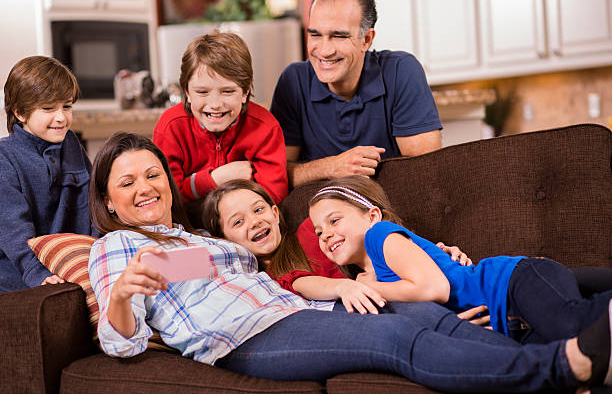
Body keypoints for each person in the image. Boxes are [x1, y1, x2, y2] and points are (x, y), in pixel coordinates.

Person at [88, 131, 611, 392]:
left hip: (297, 311)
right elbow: (119, 342)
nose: (145, 188)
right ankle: (562, 366)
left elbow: (254, 269)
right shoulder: (117, 247)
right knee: (393, 339)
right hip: (248, 335)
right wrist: (120, 295)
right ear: (109, 201)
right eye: (127, 182)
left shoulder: (197, 243)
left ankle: (564, 366)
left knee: (425, 316)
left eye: (152, 174)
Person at [308, 175, 612, 344]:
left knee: (572, 325)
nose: (325, 234)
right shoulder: (370, 278)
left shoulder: (380, 236)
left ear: (372, 215)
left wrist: (367, 286)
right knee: (569, 365)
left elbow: (434, 289)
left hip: (509, 283)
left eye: (334, 220)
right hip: (511, 323)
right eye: (319, 231)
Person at [202, 179, 473, 317]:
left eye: (259, 209)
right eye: (238, 221)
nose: (255, 221)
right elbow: (169, 267)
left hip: (394, 300)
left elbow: (372, 229)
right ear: (224, 240)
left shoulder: (315, 232)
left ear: (275, 213)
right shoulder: (242, 275)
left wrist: (431, 252)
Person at [270, 0, 441, 189]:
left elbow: (427, 170)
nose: (324, 50)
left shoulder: (400, 70)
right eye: (315, 35)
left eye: (339, 36)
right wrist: (332, 167)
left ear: (366, 40)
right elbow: (275, 176)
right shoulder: (294, 81)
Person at [0, 56, 98, 293]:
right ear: (20, 113)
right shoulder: (5, 156)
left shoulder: (71, 143)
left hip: (72, 262)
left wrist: (100, 250)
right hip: (22, 271)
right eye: (48, 109)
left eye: (67, 106)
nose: (61, 117)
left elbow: (93, 203)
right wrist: (36, 273)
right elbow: (13, 228)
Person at [153, 32, 288, 205]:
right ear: (187, 92)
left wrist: (190, 185)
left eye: (228, 91)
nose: (215, 104)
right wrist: (216, 179)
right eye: (202, 92)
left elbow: (272, 198)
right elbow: (164, 196)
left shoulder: (265, 128)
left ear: (245, 92)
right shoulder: (171, 127)